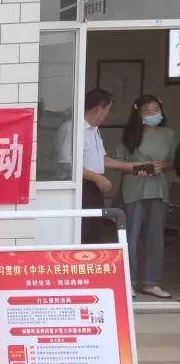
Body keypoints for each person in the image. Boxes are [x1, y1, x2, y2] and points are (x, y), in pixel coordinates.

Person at [116, 94, 176, 299]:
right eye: (147, 112)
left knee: (156, 237)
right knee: (130, 237)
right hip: (134, 190)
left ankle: (152, 282)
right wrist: (140, 167)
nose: (153, 114)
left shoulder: (169, 134)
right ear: (138, 114)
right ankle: (128, 281)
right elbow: (117, 163)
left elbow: (173, 162)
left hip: (159, 190)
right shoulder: (130, 134)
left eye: (156, 110)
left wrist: (161, 166)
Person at [59, 89, 137, 244]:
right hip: (80, 187)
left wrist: (135, 166)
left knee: (94, 233)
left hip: (94, 188)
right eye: (108, 109)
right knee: (80, 233)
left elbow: (103, 160)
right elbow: (68, 165)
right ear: (98, 109)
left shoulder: (94, 130)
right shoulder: (72, 128)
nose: (108, 114)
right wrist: (97, 178)